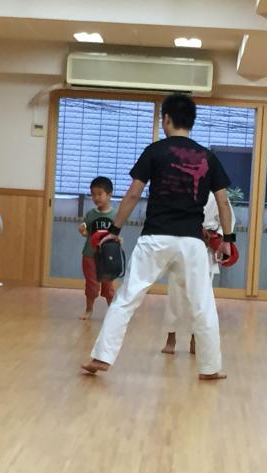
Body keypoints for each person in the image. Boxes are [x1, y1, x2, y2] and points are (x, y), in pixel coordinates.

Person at [80, 93, 234, 381]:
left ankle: (101, 357)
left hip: (155, 239)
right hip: (192, 243)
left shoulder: (154, 151)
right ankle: (211, 368)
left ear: (166, 119)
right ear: (191, 121)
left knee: (126, 298)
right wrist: (229, 238)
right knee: (203, 304)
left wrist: (114, 231)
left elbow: (133, 194)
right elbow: (223, 202)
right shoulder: (208, 157)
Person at [161, 191, 235, 355]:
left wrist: (219, 237)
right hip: (181, 244)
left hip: (206, 249)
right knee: (175, 294)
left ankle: (196, 339)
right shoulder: (179, 190)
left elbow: (228, 218)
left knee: (201, 299)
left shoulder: (216, 195)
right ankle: (171, 337)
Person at [78, 176, 117, 320]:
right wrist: (82, 231)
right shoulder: (90, 214)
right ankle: (89, 310)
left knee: (109, 286)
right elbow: (86, 233)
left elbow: (116, 235)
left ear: (109, 194)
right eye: (93, 194)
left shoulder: (115, 215)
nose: (96, 198)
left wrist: (118, 240)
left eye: (100, 194)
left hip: (108, 257)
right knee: (91, 285)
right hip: (90, 255)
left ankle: (113, 313)